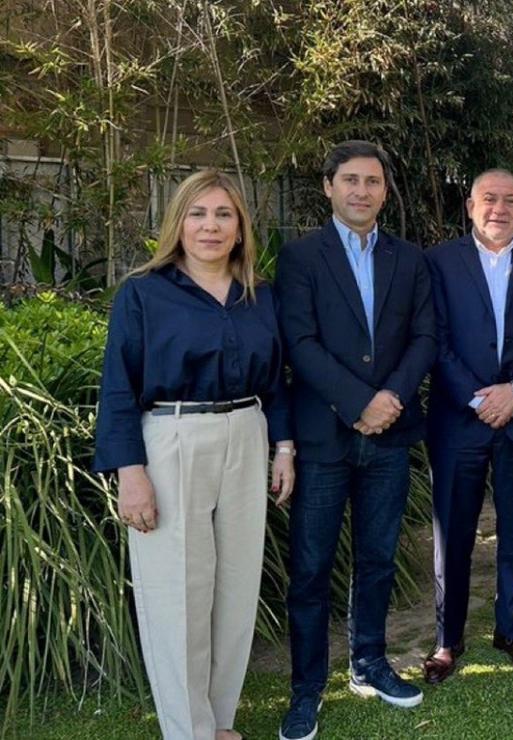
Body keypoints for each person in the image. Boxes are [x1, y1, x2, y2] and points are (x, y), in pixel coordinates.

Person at [94, 169, 293, 740]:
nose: (211, 226)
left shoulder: (260, 294)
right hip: (172, 440)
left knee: (234, 586)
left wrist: (284, 448)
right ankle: (188, 731)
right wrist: (129, 473)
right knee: (177, 591)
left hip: (246, 434)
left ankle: (218, 721)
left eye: (224, 214)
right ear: (177, 223)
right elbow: (117, 387)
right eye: (198, 214)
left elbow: (279, 380)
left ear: (240, 227)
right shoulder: (144, 291)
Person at [274, 140, 437, 739]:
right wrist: (358, 402)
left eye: (372, 181)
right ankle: (306, 688)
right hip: (324, 437)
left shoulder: (409, 258)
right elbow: (301, 343)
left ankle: (368, 662)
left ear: (385, 191)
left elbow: (424, 336)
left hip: (388, 437)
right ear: (328, 187)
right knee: (312, 568)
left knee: (377, 558)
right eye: (350, 180)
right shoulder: (300, 258)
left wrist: (388, 400)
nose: (361, 191)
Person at [422, 169, 513, 683]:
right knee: (453, 532)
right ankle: (448, 638)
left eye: (510, 201)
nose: (499, 209)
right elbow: (433, 336)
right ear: (470, 205)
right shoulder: (439, 261)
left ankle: (512, 630)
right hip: (459, 419)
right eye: (489, 199)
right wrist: (477, 396)